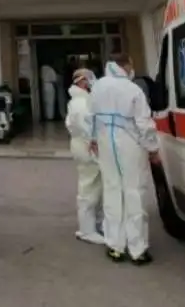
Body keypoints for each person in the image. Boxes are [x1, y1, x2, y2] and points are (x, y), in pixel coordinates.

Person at [88, 53, 160, 265]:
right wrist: (153, 149)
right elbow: (144, 123)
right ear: (125, 65)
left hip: (105, 143)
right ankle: (137, 249)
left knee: (112, 190)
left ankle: (115, 246)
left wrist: (92, 138)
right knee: (134, 192)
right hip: (130, 144)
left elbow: (89, 116)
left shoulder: (98, 86)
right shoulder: (133, 89)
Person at [65, 68, 104, 245]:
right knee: (89, 187)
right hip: (86, 147)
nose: (92, 81)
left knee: (94, 186)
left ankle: (94, 225)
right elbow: (85, 127)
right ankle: (87, 230)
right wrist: (94, 142)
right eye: (90, 78)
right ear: (82, 81)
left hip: (84, 145)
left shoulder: (80, 99)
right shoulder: (81, 103)